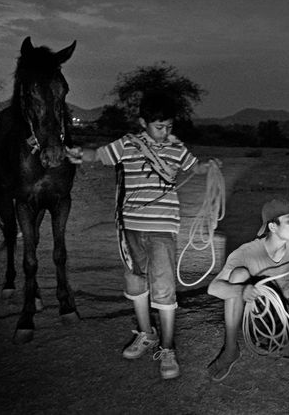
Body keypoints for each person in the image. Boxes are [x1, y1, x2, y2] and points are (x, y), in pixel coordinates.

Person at [66, 90, 219, 380]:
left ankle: (168, 348)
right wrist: (78, 155)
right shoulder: (127, 144)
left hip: (162, 230)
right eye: (159, 126)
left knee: (163, 289)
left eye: (169, 127)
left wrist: (208, 166)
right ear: (143, 122)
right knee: (136, 284)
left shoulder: (177, 149)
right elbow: (98, 155)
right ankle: (146, 333)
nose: (165, 132)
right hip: (131, 229)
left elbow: (194, 166)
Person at [206, 198, 289, 382]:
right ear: (273, 227)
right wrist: (241, 291)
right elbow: (213, 288)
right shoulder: (248, 252)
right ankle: (230, 350)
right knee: (238, 275)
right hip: (259, 317)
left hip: (286, 313)